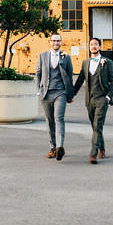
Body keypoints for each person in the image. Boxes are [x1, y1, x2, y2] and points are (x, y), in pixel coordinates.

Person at [71, 37, 113, 164]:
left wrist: (109, 96)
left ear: (100, 47)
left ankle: (93, 153)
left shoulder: (107, 62)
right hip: (89, 100)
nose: (94, 46)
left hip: (102, 99)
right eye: (91, 44)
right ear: (89, 47)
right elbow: (80, 80)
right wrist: (72, 95)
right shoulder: (85, 63)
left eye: (96, 44)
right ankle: (102, 148)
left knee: (97, 125)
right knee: (95, 126)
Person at [35, 33, 75, 161]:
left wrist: (70, 94)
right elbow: (38, 73)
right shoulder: (43, 56)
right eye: (53, 41)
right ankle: (52, 147)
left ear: (61, 43)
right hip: (46, 93)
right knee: (49, 121)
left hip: (60, 92)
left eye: (58, 41)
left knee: (59, 118)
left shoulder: (66, 57)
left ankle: (59, 148)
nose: (55, 43)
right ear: (50, 42)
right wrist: (38, 91)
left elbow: (70, 76)